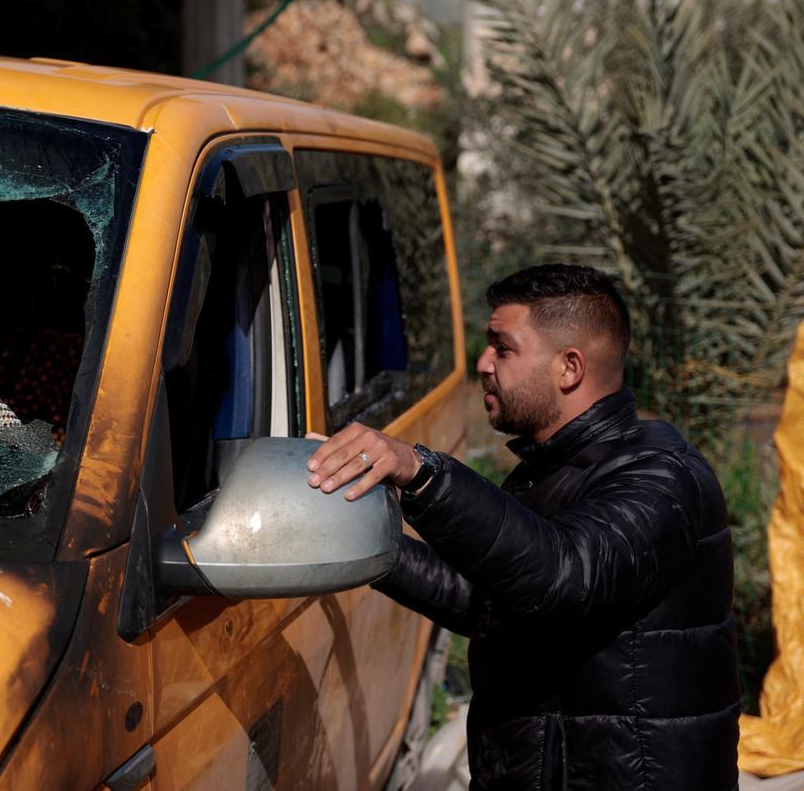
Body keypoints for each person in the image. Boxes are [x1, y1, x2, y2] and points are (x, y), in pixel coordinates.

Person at [306, 264, 739, 790]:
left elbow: (564, 575)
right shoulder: (553, 469)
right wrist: (359, 533)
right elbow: (491, 601)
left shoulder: (662, 478)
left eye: (503, 348)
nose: (482, 363)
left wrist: (421, 472)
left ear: (569, 368)